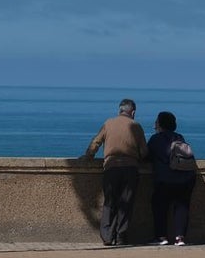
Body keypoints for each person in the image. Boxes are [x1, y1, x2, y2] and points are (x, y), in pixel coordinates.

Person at [81, 98, 148, 246]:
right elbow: (144, 151)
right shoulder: (136, 126)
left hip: (111, 167)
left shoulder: (108, 123)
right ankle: (121, 236)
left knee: (110, 201)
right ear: (133, 112)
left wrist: (88, 157)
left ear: (120, 110)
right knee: (126, 203)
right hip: (130, 169)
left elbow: (96, 142)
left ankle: (106, 236)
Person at [146, 110, 197, 246]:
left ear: (160, 124)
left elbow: (146, 157)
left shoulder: (155, 139)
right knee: (182, 206)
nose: (154, 126)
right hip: (186, 178)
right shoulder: (179, 137)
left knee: (159, 205)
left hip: (166, 179)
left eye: (156, 122)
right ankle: (180, 238)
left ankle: (161, 237)